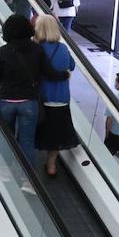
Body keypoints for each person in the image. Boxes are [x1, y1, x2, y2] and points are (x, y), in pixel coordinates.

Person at [0, 14, 70, 164]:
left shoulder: (3, 51)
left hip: (6, 100)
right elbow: (50, 73)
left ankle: (4, 171)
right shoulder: (37, 50)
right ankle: (27, 181)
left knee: (5, 138)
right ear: (29, 29)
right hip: (28, 101)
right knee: (27, 141)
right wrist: (65, 75)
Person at [34, 15, 78, 177]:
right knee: (57, 135)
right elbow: (72, 66)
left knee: (38, 132)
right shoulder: (63, 48)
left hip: (42, 98)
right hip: (61, 99)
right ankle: (51, 164)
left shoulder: (37, 49)